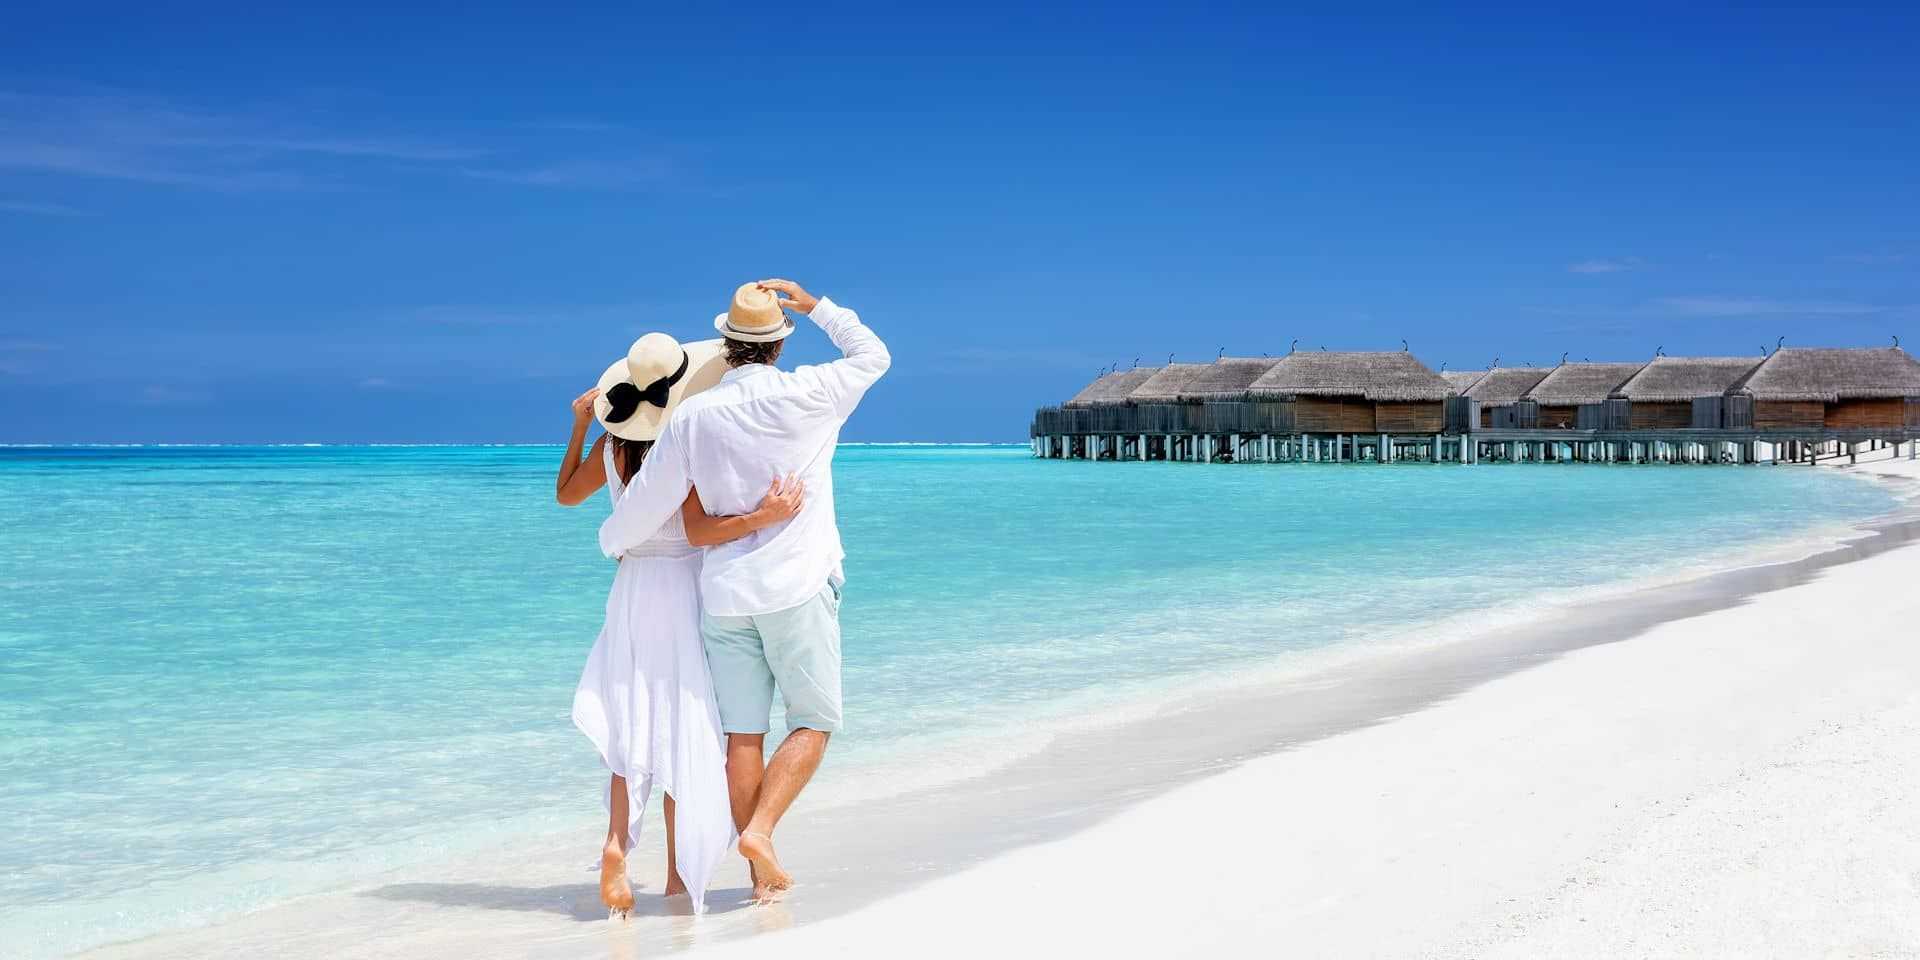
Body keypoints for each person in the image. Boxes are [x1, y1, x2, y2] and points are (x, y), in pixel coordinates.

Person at [598, 279, 890, 903]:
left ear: (726, 346)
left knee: (744, 735)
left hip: (726, 596)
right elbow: (873, 356)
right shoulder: (813, 391)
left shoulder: (692, 417)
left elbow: (645, 507)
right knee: (813, 720)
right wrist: (817, 308)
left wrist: (609, 540)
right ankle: (759, 832)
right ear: (779, 345)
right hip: (799, 582)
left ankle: (762, 877)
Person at [556, 331, 807, 916]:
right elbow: (700, 529)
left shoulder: (613, 449)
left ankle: (617, 845)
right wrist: (767, 516)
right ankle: (674, 876)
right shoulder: (683, 447)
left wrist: (579, 428)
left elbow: (567, 496)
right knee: (683, 727)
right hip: (684, 590)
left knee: (630, 724)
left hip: (632, 592)